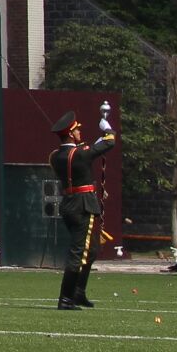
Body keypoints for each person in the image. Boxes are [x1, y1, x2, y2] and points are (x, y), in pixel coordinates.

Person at [51, 111, 117, 310]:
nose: (80, 131)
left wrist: (93, 144)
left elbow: (85, 153)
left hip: (70, 203)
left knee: (92, 249)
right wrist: (107, 129)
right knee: (78, 253)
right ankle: (66, 299)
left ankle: (78, 293)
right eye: (77, 129)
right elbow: (109, 142)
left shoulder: (56, 156)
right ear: (71, 133)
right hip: (82, 205)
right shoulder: (80, 153)